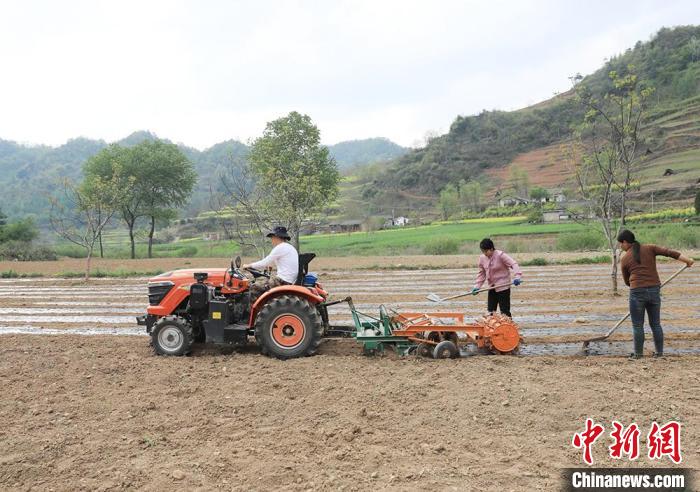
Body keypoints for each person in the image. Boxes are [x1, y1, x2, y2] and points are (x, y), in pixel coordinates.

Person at [617, 229, 694, 359]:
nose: (620, 246)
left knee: (637, 325)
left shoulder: (625, 259)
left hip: (637, 292)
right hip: (654, 290)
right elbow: (670, 253)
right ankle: (659, 353)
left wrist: (638, 287)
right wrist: (687, 260)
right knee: (655, 324)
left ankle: (638, 355)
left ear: (625, 242)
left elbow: (627, 281)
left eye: (620, 244)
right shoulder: (650, 248)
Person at [242, 226, 299, 299]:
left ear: (276, 237)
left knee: (254, 287)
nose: (271, 240)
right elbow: (285, 263)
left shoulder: (280, 247)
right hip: (289, 279)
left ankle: (251, 309)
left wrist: (249, 265)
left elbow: (264, 262)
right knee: (263, 283)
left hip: (282, 280)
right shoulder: (289, 247)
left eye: (272, 237)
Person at [471, 238, 522, 318]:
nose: (484, 253)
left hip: (503, 287)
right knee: (491, 311)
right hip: (492, 287)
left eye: (486, 251)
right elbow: (482, 274)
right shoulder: (482, 258)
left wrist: (517, 277)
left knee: (504, 311)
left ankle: (508, 328)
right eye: (483, 251)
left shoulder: (500, 255)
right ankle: (492, 329)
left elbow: (513, 264)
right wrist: (477, 287)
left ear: (491, 249)